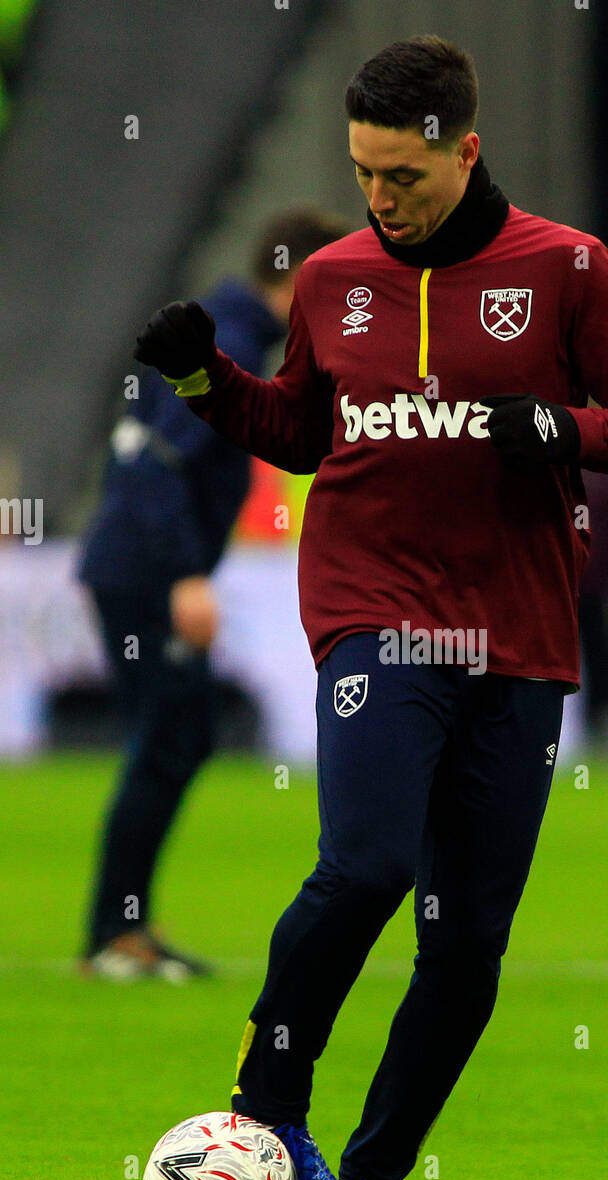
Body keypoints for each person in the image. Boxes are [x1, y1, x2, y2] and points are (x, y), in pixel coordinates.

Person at [134, 35, 608, 1180]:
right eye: (362, 173)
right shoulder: (334, 277)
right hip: (375, 614)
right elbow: (298, 429)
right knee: (367, 866)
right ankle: (269, 1112)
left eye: (402, 175)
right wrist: (202, 382)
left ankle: (375, 1176)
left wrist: (558, 428)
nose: (378, 200)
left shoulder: (567, 268)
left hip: (520, 635)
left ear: (465, 149)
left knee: (466, 946)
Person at [78, 208, 349, 980]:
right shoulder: (226, 342)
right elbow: (153, 461)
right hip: (146, 573)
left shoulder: (228, 331)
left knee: (178, 736)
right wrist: (185, 574)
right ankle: (113, 932)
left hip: (136, 567)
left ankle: (125, 924)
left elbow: (142, 446)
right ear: (301, 279)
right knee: (168, 737)